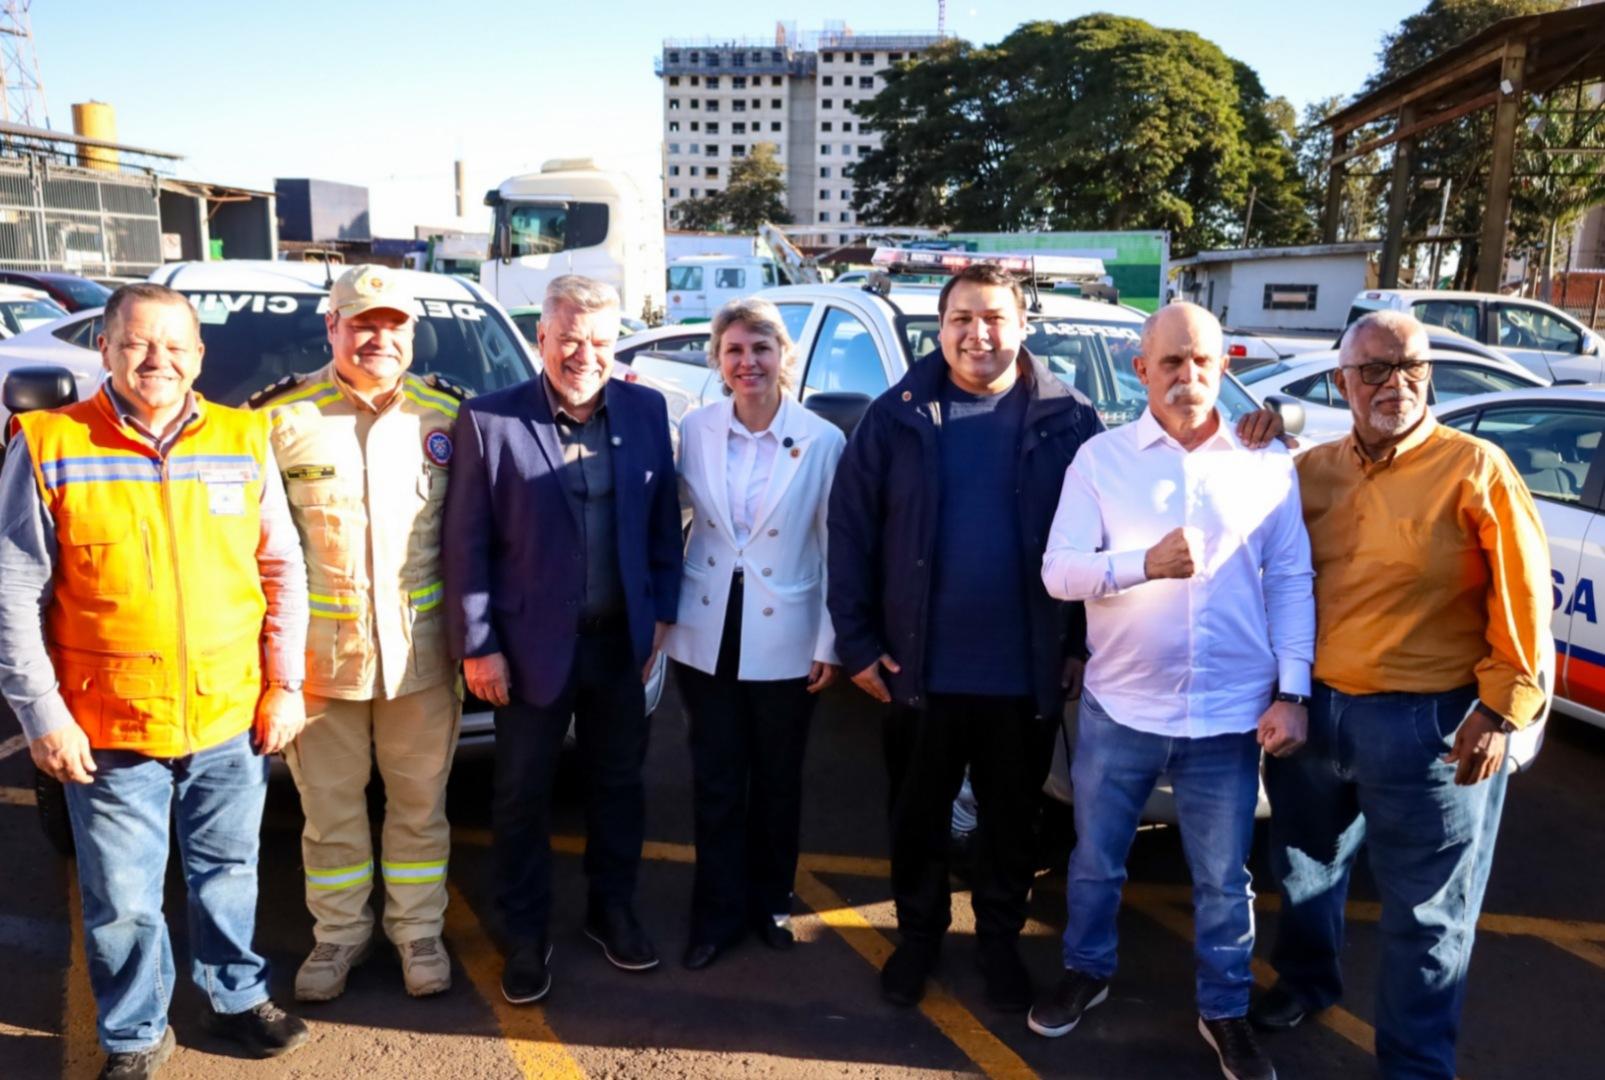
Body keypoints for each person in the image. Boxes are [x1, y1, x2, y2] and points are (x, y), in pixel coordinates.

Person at [0, 283, 310, 1080]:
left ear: (200, 357)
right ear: (103, 348)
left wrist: (284, 683)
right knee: (123, 901)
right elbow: (12, 591)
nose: (157, 360)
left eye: (175, 346)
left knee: (229, 875)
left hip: (229, 714)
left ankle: (235, 997)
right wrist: (42, 715)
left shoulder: (244, 438)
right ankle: (135, 1034)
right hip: (107, 726)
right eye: (137, 343)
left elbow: (281, 569)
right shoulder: (49, 443)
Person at [1252, 311, 1549, 1080]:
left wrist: (1499, 711)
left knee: (1426, 916)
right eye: (1374, 369)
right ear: (1341, 383)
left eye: (1411, 365)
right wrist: (1244, 441)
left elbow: (1521, 603)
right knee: (1304, 870)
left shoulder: (1474, 468)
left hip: (1427, 726)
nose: (1396, 383)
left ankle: (1415, 1067)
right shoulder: (1309, 470)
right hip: (1315, 714)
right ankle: (1305, 984)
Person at [1031, 302, 1312, 1080]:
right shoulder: (1100, 461)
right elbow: (1059, 572)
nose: (1186, 377)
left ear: (1225, 369)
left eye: (1201, 362)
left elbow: (1290, 577)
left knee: (1224, 879)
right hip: (1121, 707)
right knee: (1095, 860)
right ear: (1140, 370)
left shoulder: (1265, 462)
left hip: (1228, 716)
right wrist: (1140, 564)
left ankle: (1223, 1009)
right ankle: (1087, 970)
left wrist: (1292, 690)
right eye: (1170, 362)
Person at [443, 274, 681, 1005]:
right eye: (570, 338)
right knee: (520, 796)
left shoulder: (645, 409)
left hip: (620, 646)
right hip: (524, 650)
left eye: (601, 340)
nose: (585, 354)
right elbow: (466, 545)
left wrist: (662, 615)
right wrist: (478, 645)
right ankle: (524, 933)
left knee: (617, 787)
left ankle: (612, 913)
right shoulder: (489, 420)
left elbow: (660, 524)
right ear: (541, 337)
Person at [251, 265, 467, 1002]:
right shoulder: (280, 420)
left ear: (411, 331)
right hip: (320, 666)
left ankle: (417, 933)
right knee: (329, 814)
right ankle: (338, 936)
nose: (379, 336)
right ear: (332, 326)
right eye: (362, 322)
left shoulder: (447, 417)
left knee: (419, 807)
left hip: (423, 658)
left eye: (393, 323)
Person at [663, 298, 845, 971]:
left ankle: (770, 901)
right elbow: (674, 514)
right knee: (715, 779)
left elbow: (833, 548)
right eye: (734, 351)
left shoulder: (822, 440)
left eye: (761, 350)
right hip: (704, 626)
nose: (748, 363)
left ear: (784, 359)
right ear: (717, 360)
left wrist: (830, 641)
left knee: (776, 779)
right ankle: (713, 914)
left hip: (788, 631)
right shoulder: (698, 427)